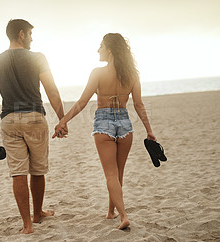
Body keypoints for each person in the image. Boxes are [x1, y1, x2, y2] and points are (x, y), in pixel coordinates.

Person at [53, 33, 157, 230]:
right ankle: (111, 212)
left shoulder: (98, 73)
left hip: (104, 123)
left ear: (109, 49)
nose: (98, 50)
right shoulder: (132, 74)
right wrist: (149, 131)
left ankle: (123, 215)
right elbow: (138, 104)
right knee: (118, 175)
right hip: (125, 123)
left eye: (100, 46)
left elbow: (82, 102)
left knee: (110, 175)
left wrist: (63, 121)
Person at [0, 19, 67, 234]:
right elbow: (52, 90)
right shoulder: (38, 58)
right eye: (30, 33)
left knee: (18, 172)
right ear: (21, 34)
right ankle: (37, 213)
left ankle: (27, 224)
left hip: (9, 120)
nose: (32, 38)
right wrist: (62, 119)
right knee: (38, 169)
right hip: (34, 117)